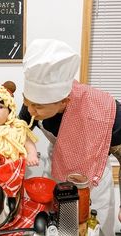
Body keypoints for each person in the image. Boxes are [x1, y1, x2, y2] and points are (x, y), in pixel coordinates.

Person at [19, 38, 121, 236]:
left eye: (38, 106)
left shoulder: (105, 111)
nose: (30, 110)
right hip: (57, 175)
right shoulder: (34, 103)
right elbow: (20, 128)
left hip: (93, 185)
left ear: (63, 101)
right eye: (26, 101)